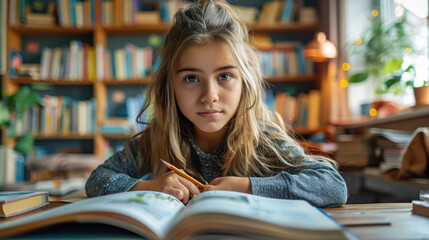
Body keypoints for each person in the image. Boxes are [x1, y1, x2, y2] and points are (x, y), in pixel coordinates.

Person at [85, 0, 348, 207]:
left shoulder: (263, 141)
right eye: (191, 78)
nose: (209, 95)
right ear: (170, 87)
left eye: (224, 76)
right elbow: (97, 180)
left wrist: (248, 186)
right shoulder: (153, 141)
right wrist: (148, 186)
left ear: (245, 81)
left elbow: (333, 186)